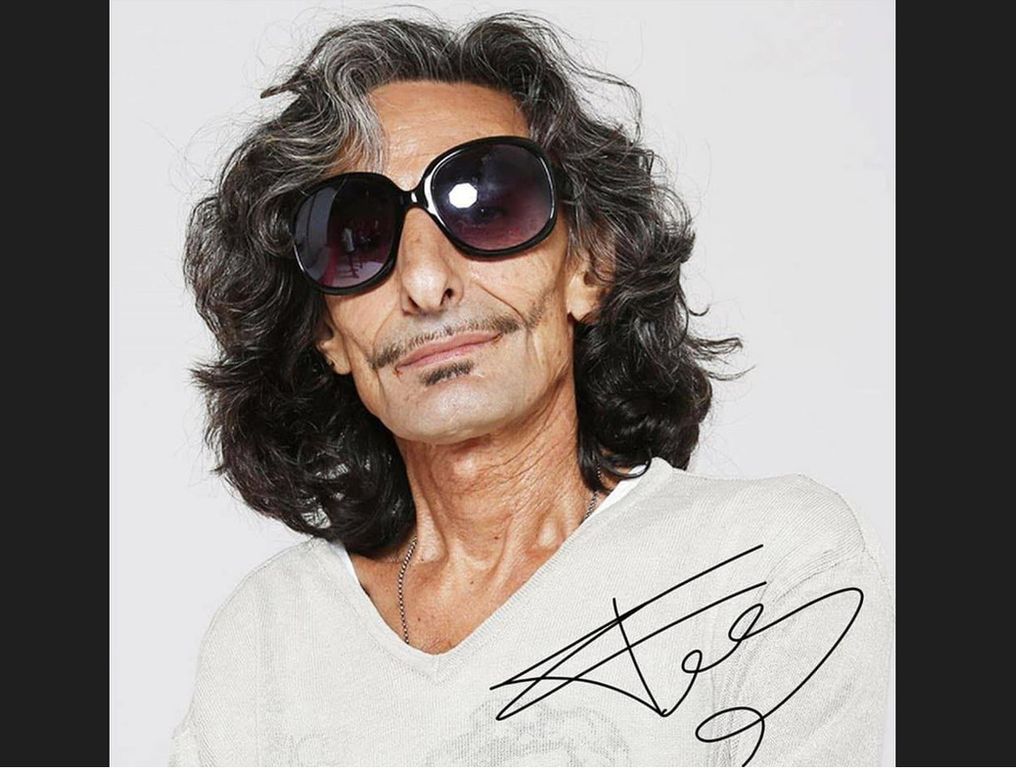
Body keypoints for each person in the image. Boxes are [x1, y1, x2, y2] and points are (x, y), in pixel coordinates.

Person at [169, 10, 894, 767]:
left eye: (489, 208)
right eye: (356, 238)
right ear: (327, 330)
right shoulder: (268, 634)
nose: (425, 282)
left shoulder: (764, 559)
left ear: (589, 266)